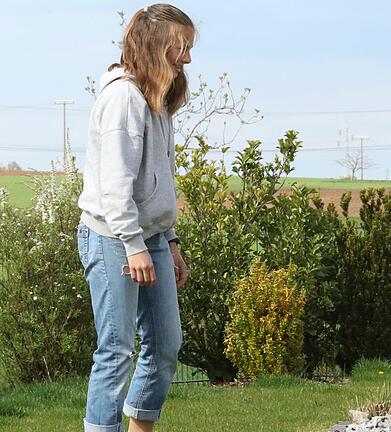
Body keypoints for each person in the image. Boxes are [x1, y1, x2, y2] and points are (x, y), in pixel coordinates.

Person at [76, 4, 194, 432]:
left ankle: (141, 428)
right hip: (113, 237)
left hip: (154, 238)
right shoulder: (123, 98)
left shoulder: (156, 99)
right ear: (158, 45)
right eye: (181, 47)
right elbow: (114, 185)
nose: (188, 58)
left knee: (165, 347)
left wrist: (171, 240)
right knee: (116, 349)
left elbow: (159, 181)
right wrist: (133, 245)